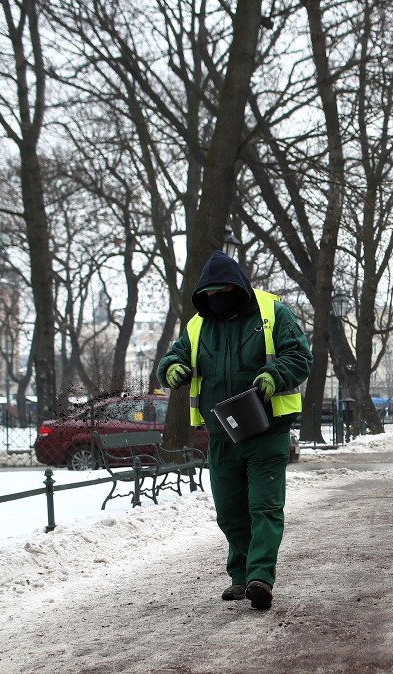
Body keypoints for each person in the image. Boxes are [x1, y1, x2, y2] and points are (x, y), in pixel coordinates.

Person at [156, 250, 312, 611]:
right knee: (229, 511)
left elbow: (300, 355)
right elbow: (173, 357)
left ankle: (260, 577)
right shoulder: (198, 324)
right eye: (209, 293)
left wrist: (274, 374)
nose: (216, 298)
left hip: (267, 429)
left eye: (223, 290)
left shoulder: (273, 313)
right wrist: (172, 369)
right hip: (222, 433)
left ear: (238, 286)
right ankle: (240, 576)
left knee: (264, 507)